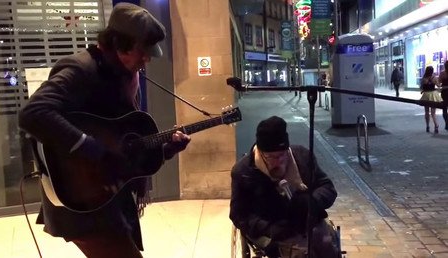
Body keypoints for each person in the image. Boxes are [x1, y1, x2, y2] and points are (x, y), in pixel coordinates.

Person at [18, 3, 191, 258]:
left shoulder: (124, 76)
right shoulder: (81, 69)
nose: (147, 59)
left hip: (109, 197)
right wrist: (94, 151)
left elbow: (122, 148)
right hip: (82, 200)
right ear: (119, 44)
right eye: (142, 51)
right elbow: (33, 113)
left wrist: (166, 149)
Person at [229, 116, 338, 258]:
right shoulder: (243, 172)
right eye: (271, 157)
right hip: (272, 226)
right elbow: (238, 215)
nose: (278, 161)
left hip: (306, 220)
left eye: (281, 155)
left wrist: (313, 201)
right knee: (300, 252)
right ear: (260, 152)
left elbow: (327, 187)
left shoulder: (302, 156)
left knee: (326, 245)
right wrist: (269, 228)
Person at [420, 66, 442, 133]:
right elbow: (438, 85)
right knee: (433, 113)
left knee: (426, 112)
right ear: (432, 71)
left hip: (426, 95)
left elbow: (421, 87)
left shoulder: (424, 78)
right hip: (433, 95)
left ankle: (427, 126)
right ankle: (436, 125)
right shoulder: (434, 78)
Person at [438, 60, 448, 130]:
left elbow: (439, 82)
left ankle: (446, 123)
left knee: (444, 109)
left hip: (444, 92)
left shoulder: (442, 73)